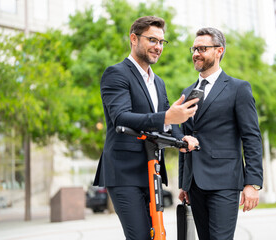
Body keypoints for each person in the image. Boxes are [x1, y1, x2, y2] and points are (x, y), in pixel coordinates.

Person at [93, 16, 199, 240]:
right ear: (134, 39)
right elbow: (120, 117)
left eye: (161, 42)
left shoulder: (158, 82)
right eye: (152, 40)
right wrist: (167, 117)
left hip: (152, 171)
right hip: (124, 171)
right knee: (140, 236)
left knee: (156, 235)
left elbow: (168, 120)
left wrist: (183, 139)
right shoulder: (116, 74)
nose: (158, 47)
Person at [178, 27, 263, 240]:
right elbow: (184, 139)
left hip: (225, 181)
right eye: (194, 48)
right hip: (195, 184)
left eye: (202, 48)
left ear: (219, 51)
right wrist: (184, 182)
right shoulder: (187, 93)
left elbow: (251, 136)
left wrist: (252, 183)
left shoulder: (238, 88)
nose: (196, 53)